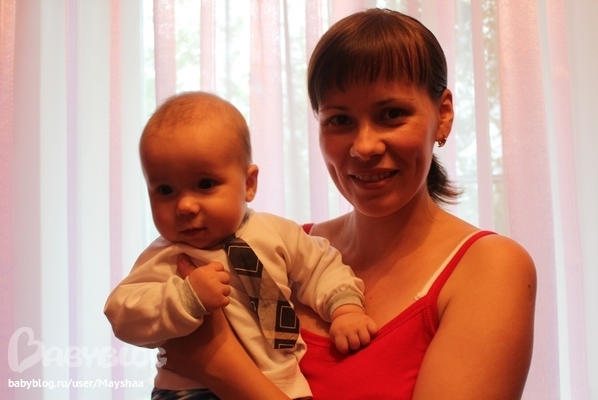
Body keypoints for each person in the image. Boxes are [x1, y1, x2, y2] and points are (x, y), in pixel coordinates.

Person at [158, 8, 537, 400]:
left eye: (392, 114)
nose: (364, 146)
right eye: (340, 120)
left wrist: (218, 364)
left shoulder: (489, 267)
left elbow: (207, 360)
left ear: (443, 115)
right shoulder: (283, 250)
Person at [104, 91, 377, 399]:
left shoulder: (277, 232)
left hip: (283, 386)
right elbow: (123, 314)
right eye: (165, 190)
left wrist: (345, 309)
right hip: (190, 390)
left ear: (249, 184)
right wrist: (185, 298)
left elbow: (321, 266)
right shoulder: (166, 256)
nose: (185, 206)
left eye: (205, 184)